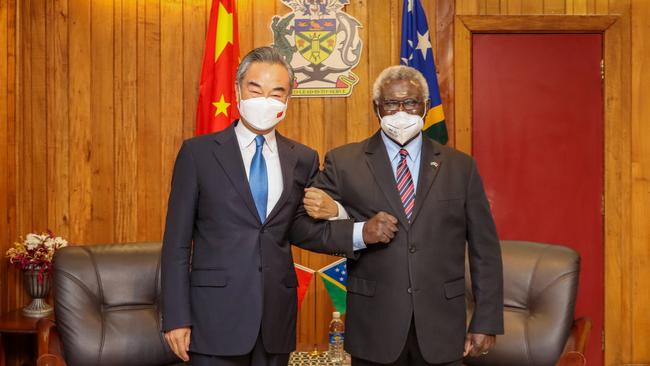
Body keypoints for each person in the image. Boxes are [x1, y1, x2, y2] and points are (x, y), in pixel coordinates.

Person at [161, 46, 392, 366]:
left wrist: (356, 229)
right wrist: (175, 317)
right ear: (237, 90)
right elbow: (176, 243)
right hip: (213, 319)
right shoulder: (198, 154)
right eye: (255, 89)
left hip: (276, 320)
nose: (264, 100)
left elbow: (302, 229)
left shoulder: (302, 158)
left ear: (287, 100)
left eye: (276, 92)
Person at [301, 65, 504, 366]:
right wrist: (359, 233)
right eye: (391, 103)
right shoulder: (344, 162)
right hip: (374, 328)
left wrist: (486, 320)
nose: (401, 111)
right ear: (376, 108)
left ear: (424, 106)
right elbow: (302, 228)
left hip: (442, 328)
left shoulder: (460, 167)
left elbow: (484, 249)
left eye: (410, 102)